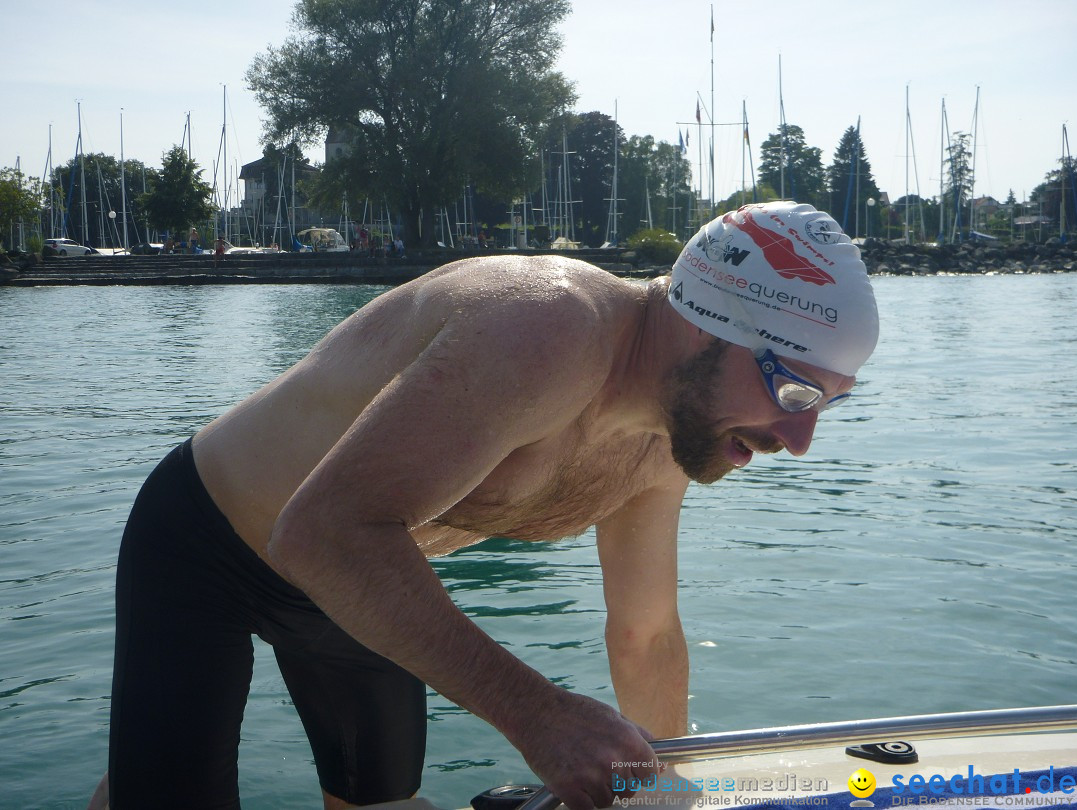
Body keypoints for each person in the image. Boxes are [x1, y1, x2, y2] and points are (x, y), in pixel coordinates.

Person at [88, 201, 878, 810]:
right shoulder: (546, 327)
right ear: (709, 320)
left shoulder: (662, 438)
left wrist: (660, 783)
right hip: (210, 544)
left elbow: (644, 633)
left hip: (364, 584)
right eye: (793, 388)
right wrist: (539, 714)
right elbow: (322, 530)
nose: (801, 437)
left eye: (828, 404)